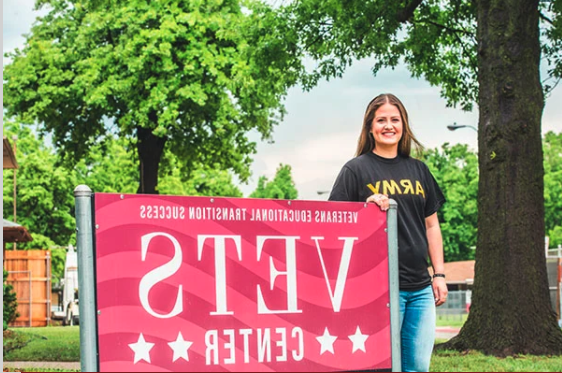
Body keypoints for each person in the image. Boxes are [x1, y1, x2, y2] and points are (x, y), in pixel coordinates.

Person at [328, 93, 447, 372]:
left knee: (417, 367)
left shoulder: (419, 170)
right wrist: (365, 208)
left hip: (419, 289)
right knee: (385, 367)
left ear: (403, 126)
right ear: (370, 127)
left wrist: (439, 275)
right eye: (381, 120)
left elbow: (432, 226)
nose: (388, 125)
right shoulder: (355, 170)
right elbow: (333, 224)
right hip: (379, 291)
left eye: (395, 119)